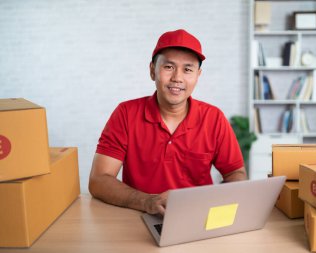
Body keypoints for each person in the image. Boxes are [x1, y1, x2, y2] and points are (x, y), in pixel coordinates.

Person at [89, 29, 247, 216]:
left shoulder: (214, 118)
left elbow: (236, 174)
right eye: (169, 67)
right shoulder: (126, 113)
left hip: (197, 219)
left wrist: (216, 202)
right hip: (138, 217)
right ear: (152, 70)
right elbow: (99, 180)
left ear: (198, 75)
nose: (177, 78)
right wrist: (146, 201)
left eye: (187, 69)